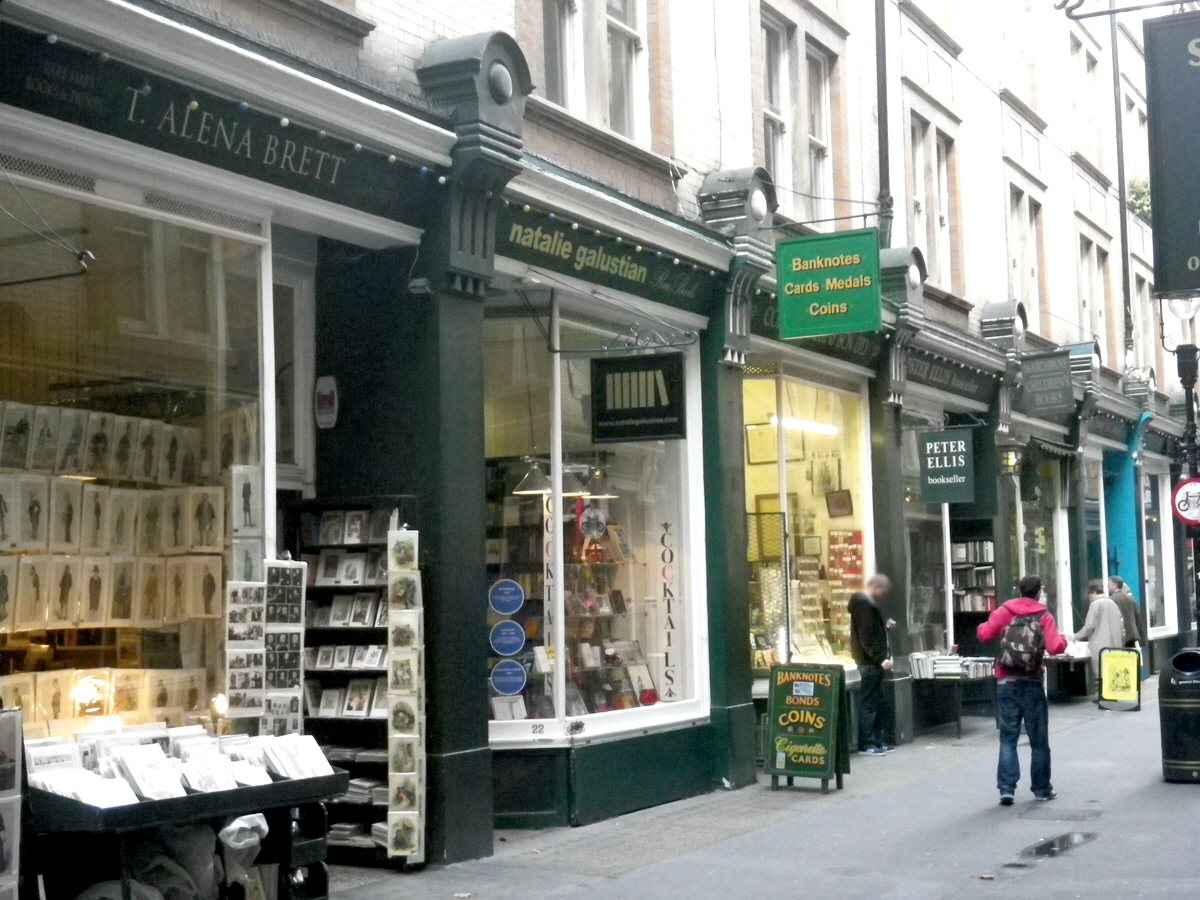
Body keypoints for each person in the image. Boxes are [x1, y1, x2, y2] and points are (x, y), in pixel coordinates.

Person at [977, 574, 1067, 805]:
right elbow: (1056, 647)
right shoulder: (1044, 615)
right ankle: (1041, 789)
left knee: (1008, 737)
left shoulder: (1005, 610)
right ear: (1039, 593)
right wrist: (1064, 640)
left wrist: (985, 626)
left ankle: (1007, 789)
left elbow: (984, 634)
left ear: (1019, 590)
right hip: (1032, 682)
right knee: (1039, 740)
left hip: (1006, 681)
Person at [849, 574, 897, 755]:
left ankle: (876, 741)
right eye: (882, 591)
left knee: (876, 701)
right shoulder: (864, 607)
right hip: (869, 662)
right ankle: (867, 743)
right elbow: (866, 636)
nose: (883, 595)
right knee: (869, 703)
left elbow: (871, 630)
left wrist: (885, 625)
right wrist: (880, 658)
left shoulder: (868, 606)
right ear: (875, 587)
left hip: (872, 661)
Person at [1074, 580, 1124, 698]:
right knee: (1112, 669)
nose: (1090, 599)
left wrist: (1075, 637)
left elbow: (1089, 626)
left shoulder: (1095, 604)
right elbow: (1121, 624)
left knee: (1100, 671)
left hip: (1099, 643)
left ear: (1093, 593)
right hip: (1115, 642)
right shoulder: (1112, 603)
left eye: (1090, 596)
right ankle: (1113, 694)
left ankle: (1102, 696)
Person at [1108, 576, 1145, 649]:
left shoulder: (1111, 599)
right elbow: (1137, 615)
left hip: (1121, 637)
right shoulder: (1130, 598)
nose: (1107, 587)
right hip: (1132, 634)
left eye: (1109, 584)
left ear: (1115, 585)